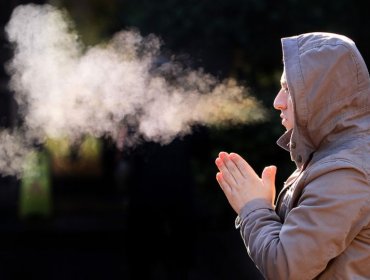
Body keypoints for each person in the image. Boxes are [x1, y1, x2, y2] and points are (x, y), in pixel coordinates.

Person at [215, 32, 370, 279]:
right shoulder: (332, 157)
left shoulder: (345, 172)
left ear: (323, 94)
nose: (278, 102)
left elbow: (286, 268)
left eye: (288, 89)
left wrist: (253, 207)